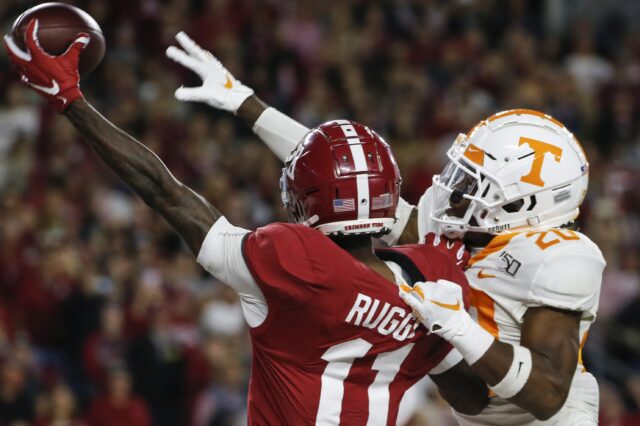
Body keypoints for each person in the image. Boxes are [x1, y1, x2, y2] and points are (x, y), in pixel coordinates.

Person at [4, 20, 488, 424]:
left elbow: (166, 194)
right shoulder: (434, 277)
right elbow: (473, 398)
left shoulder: (295, 260)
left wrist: (70, 100)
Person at [166, 33, 606, 424]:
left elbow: (547, 396)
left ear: (524, 204)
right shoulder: (460, 226)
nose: (454, 190)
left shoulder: (560, 258)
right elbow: (348, 185)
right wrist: (247, 104)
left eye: (474, 184)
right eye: (462, 174)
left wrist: (458, 328)